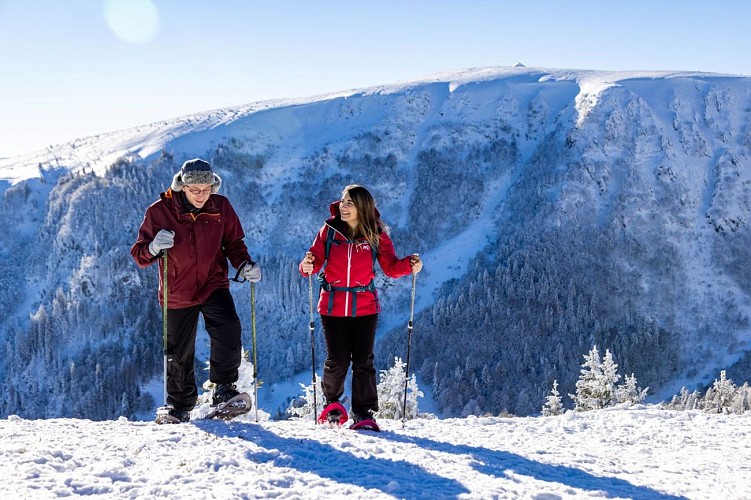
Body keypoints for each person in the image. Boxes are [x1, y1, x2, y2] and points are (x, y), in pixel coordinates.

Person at [131, 158, 261, 423]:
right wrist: (154, 247)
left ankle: (223, 390)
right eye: (195, 190)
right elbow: (139, 254)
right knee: (179, 349)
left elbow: (234, 242)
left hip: (213, 283)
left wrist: (244, 264)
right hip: (177, 289)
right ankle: (179, 406)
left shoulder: (220, 207)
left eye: (206, 189)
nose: (202, 195)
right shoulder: (160, 212)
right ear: (182, 186)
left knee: (228, 327)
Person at [299, 184, 422, 428]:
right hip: (332, 306)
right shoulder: (329, 231)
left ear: (362, 208)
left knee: (364, 360)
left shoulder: (376, 233)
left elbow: (390, 267)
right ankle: (332, 404)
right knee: (337, 360)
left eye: (349, 203)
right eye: (343, 201)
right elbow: (311, 262)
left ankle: (363, 413)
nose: (342, 206)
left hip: (365, 307)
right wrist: (307, 265)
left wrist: (410, 265)